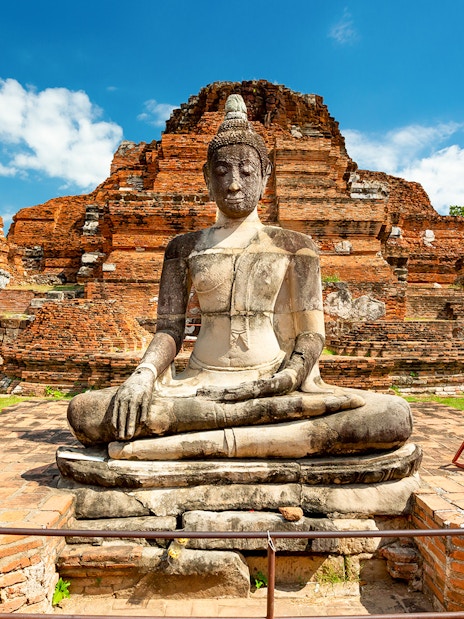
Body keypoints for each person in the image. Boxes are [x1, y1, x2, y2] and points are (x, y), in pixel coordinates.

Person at [68, 95, 412, 460]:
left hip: (275, 384)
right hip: (200, 385)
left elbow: (312, 333)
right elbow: (169, 330)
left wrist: (290, 377)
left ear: (265, 175)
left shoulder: (295, 246)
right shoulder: (183, 248)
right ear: (206, 177)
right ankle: (261, 441)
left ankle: (192, 445)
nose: (233, 184)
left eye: (246, 172)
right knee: (87, 413)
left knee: (391, 417)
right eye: (221, 172)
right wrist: (143, 376)